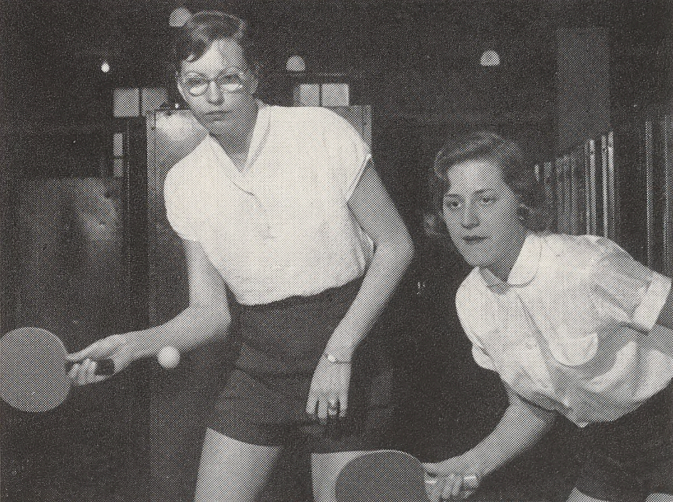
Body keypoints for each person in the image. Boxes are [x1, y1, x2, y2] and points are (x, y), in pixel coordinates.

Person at [67, 10, 414, 502]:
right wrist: (133, 344)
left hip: (346, 355)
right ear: (180, 88)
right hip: (260, 365)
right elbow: (209, 312)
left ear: (253, 78)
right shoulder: (185, 182)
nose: (212, 97)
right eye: (196, 81)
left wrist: (340, 351)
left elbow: (396, 244)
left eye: (228, 78)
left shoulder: (320, 131)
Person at [422, 131, 673, 502]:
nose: (468, 219)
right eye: (453, 204)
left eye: (486, 200)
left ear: (521, 203)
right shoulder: (471, 300)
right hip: (610, 444)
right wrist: (471, 463)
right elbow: (530, 408)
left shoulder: (585, 268)